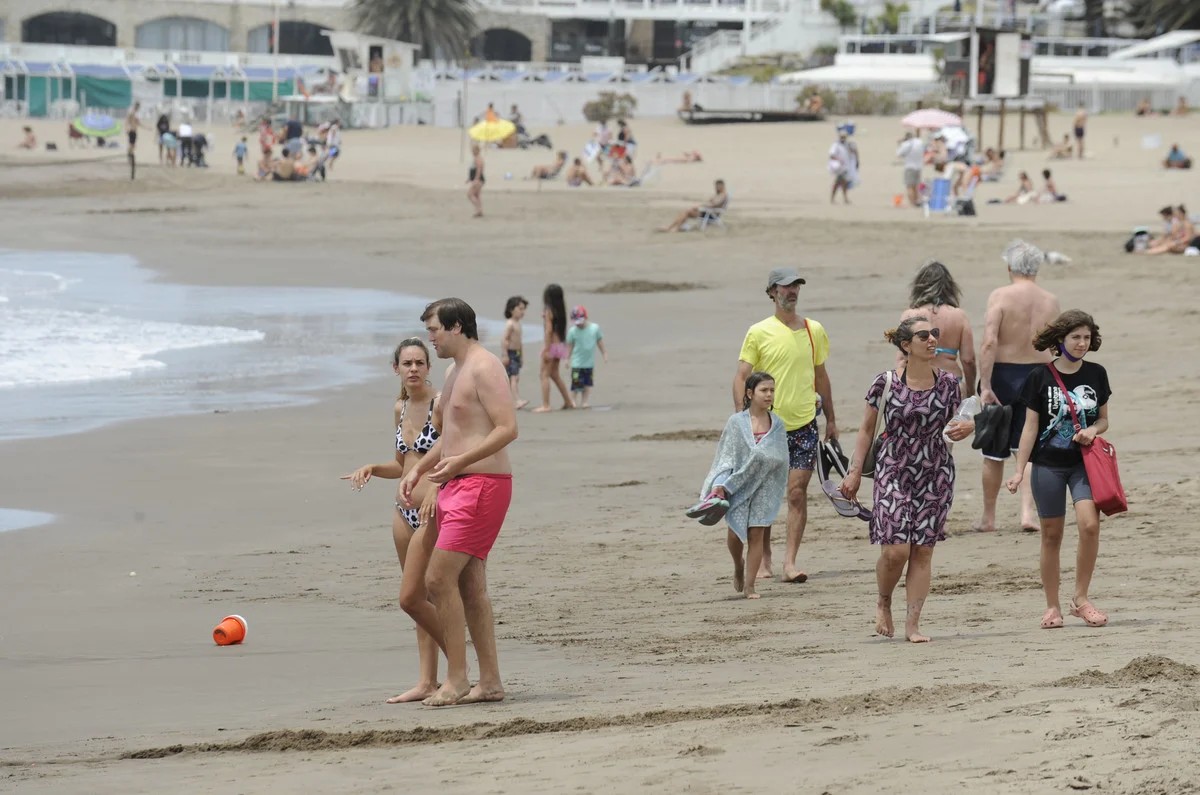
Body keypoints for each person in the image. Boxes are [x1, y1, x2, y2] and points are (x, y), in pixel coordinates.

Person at [398, 298, 518, 707]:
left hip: (483, 483)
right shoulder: (453, 372)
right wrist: (419, 469)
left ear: (455, 327)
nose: (429, 339)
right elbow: (451, 437)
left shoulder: (485, 367)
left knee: (436, 579)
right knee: (469, 584)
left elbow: (507, 428)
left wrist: (461, 463)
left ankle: (456, 680)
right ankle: (490, 682)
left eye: (433, 330)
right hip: (455, 483)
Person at [840, 317, 972, 642]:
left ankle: (913, 624)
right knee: (897, 550)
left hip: (935, 473)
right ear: (905, 345)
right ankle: (884, 600)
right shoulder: (884, 383)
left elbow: (962, 421)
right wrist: (855, 471)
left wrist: (970, 427)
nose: (932, 340)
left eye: (935, 334)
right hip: (893, 469)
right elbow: (866, 429)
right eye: (923, 335)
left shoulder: (950, 384)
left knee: (923, 551)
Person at [342, 339, 446, 702]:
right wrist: (372, 467)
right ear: (396, 369)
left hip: (434, 509)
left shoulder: (441, 404)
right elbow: (402, 466)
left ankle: (460, 669)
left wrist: (436, 489)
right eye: (407, 363)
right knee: (416, 596)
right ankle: (426, 681)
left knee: (432, 593)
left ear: (429, 367)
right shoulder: (400, 407)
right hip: (402, 511)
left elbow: (454, 456)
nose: (414, 368)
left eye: (420, 362)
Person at [1006, 310, 1111, 629]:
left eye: (1087, 338)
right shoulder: (1040, 377)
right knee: (1051, 535)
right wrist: (1019, 470)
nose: (1082, 343)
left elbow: (1104, 419)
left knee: (1090, 525)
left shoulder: (1096, 373)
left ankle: (1081, 599)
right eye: (1076, 337)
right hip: (1048, 465)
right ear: (1060, 340)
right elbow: (1029, 428)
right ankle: (1052, 607)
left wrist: (1093, 431)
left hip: (1083, 465)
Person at [733, 267, 838, 584]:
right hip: (768, 427)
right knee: (764, 495)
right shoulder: (758, 332)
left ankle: (789, 562)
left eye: (795, 287)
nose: (791, 292)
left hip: (805, 424)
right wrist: (745, 419)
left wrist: (831, 418)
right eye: (784, 287)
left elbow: (821, 375)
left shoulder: (812, 329)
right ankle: (763, 558)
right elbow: (740, 377)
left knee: (796, 493)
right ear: (771, 293)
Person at [975, 239, 1061, 533]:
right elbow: (1056, 347)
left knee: (994, 448)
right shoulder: (1050, 301)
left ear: (1009, 266)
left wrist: (985, 384)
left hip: (1004, 374)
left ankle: (989, 517)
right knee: (1030, 447)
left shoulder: (1000, 295)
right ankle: (1027, 513)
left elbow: (989, 341)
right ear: (1036, 268)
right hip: (1039, 373)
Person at [691, 372, 789, 600]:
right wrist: (720, 484)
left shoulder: (778, 425)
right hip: (737, 486)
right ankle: (738, 565)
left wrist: (764, 461)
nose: (769, 395)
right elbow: (725, 458)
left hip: (765, 487)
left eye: (772, 391)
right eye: (764, 390)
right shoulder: (736, 423)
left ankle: (750, 585)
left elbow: (782, 459)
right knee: (735, 535)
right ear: (749, 393)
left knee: (757, 533)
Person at [899, 260, 976, 397]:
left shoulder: (909, 315)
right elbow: (968, 360)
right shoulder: (959, 316)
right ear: (949, 287)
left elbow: (902, 359)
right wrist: (970, 390)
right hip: (951, 384)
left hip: (917, 385)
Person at [533, 283, 574, 413]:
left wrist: (546, 349)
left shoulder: (548, 309)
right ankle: (568, 401)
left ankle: (546, 404)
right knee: (555, 375)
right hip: (560, 345)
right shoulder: (560, 309)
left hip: (552, 346)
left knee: (544, 374)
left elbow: (549, 331)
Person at [565, 305, 608, 409]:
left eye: (580, 321)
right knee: (576, 383)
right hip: (577, 363)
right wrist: (567, 359)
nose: (579, 324)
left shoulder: (594, 328)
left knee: (587, 383)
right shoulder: (572, 331)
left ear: (586, 317)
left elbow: (599, 342)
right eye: (577, 322)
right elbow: (569, 346)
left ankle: (585, 401)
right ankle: (573, 401)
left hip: (589, 363)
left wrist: (604, 353)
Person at [657, 179, 728, 232]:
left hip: (711, 214)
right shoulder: (718, 194)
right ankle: (673, 227)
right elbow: (710, 202)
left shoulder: (723, 195)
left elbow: (714, 204)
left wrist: (701, 206)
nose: (716, 188)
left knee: (687, 212)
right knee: (687, 211)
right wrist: (702, 206)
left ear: (721, 186)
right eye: (715, 186)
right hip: (708, 212)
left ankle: (673, 228)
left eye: (717, 186)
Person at [501, 296, 529, 409]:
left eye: (524, 309)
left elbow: (519, 342)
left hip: (516, 353)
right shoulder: (510, 324)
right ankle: (516, 400)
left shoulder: (518, 324)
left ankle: (513, 399)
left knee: (515, 377)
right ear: (511, 309)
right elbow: (504, 339)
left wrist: (521, 356)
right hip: (510, 353)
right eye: (520, 309)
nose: (522, 312)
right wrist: (505, 355)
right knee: (513, 377)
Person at [897, 133, 925, 207]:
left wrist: (900, 144)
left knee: (909, 186)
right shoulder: (919, 143)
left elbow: (898, 154)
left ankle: (912, 203)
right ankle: (917, 201)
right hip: (919, 167)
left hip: (909, 166)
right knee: (916, 186)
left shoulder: (906, 144)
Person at [828, 129, 852, 204]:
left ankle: (843, 199)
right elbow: (831, 155)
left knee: (842, 183)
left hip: (844, 167)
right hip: (838, 167)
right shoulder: (835, 145)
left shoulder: (846, 145)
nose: (843, 138)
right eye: (842, 137)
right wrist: (839, 159)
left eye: (844, 137)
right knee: (839, 183)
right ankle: (838, 199)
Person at [467, 143, 484, 218]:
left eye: (473, 151)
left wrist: (476, 179)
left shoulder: (478, 159)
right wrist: (469, 179)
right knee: (477, 195)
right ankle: (479, 210)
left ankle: (478, 209)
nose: (472, 152)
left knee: (470, 194)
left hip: (478, 179)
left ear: (477, 151)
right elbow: (473, 170)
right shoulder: (476, 158)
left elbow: (479, 170)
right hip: (477, 179)